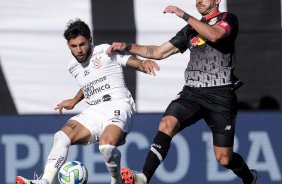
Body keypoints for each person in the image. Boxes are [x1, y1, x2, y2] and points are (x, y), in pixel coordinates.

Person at [106, 1, 258, 184]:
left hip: (221, 96)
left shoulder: (227, 18)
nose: (199, 1)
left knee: (224, 158)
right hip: (192, 93)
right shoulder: (189, 29)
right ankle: (144, 177)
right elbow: (159, 52)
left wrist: (183, 14)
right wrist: (127, 46)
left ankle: (249, 177)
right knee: (166, 123)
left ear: (217, 0)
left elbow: (215, 35)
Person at [15, 19, 160, 184]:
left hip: (118, 105)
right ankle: (45, 181)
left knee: (106, 147)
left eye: (82, 44)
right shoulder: (73, 67)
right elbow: (90, 84)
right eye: (74, 46)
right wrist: (74, 100)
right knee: (61, 137)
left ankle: (116, 180)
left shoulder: (106, 51)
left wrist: (143, 63)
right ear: (68, 46)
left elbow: (130, 61)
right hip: (94, 111)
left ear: (90, 40)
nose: (79, 50)